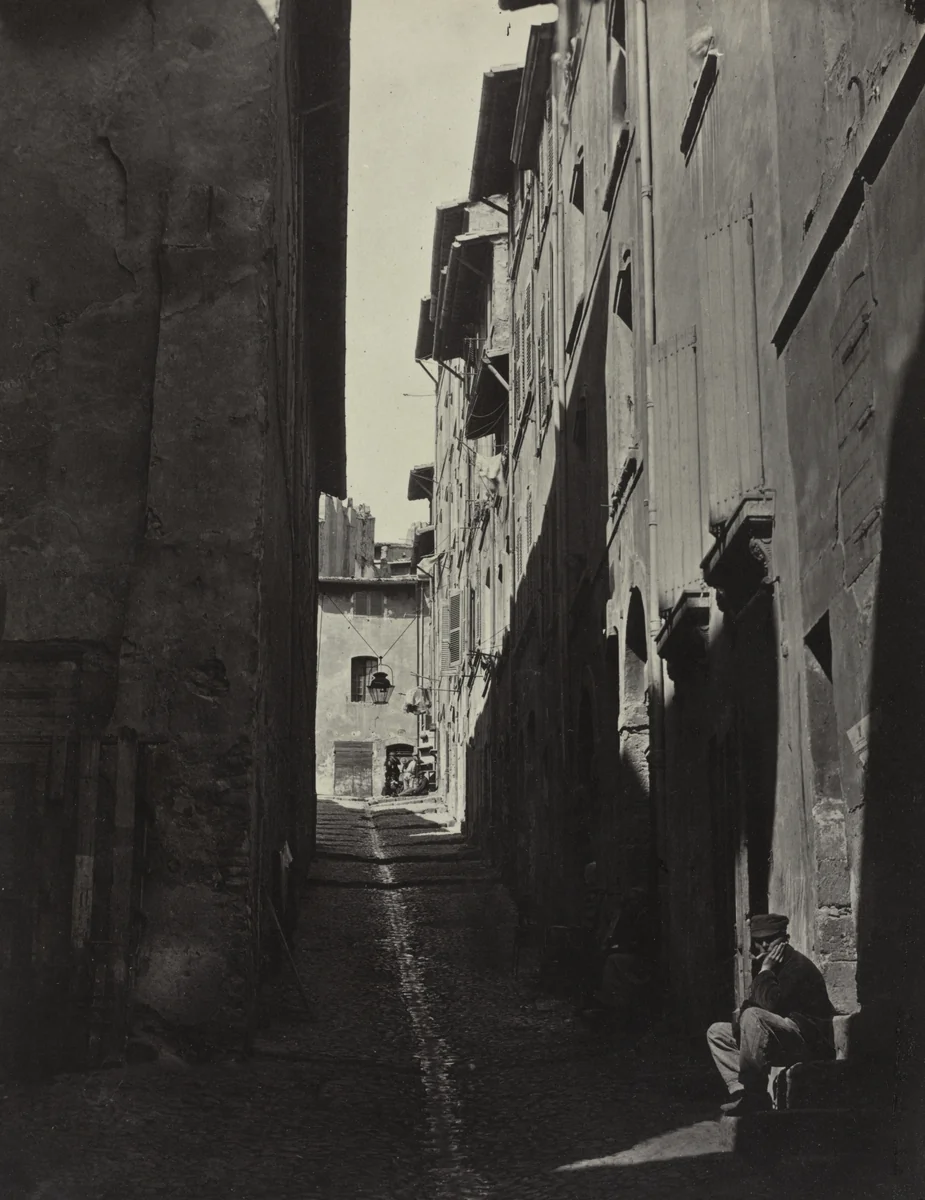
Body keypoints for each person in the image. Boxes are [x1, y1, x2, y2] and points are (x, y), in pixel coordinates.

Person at [706, 913, 835, 1114]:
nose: (765, 945)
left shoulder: (797, 966)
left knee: (752, 1016)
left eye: (771, 939)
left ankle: (755, 1095)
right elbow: (751, 1008)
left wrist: (765, 970)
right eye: (759, 941)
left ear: (785, 939)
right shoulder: (771, 967)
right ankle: (741, 1093)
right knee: (717, 1032)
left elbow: (767, 1006)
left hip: (807, 1042)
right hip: (778, 1037)